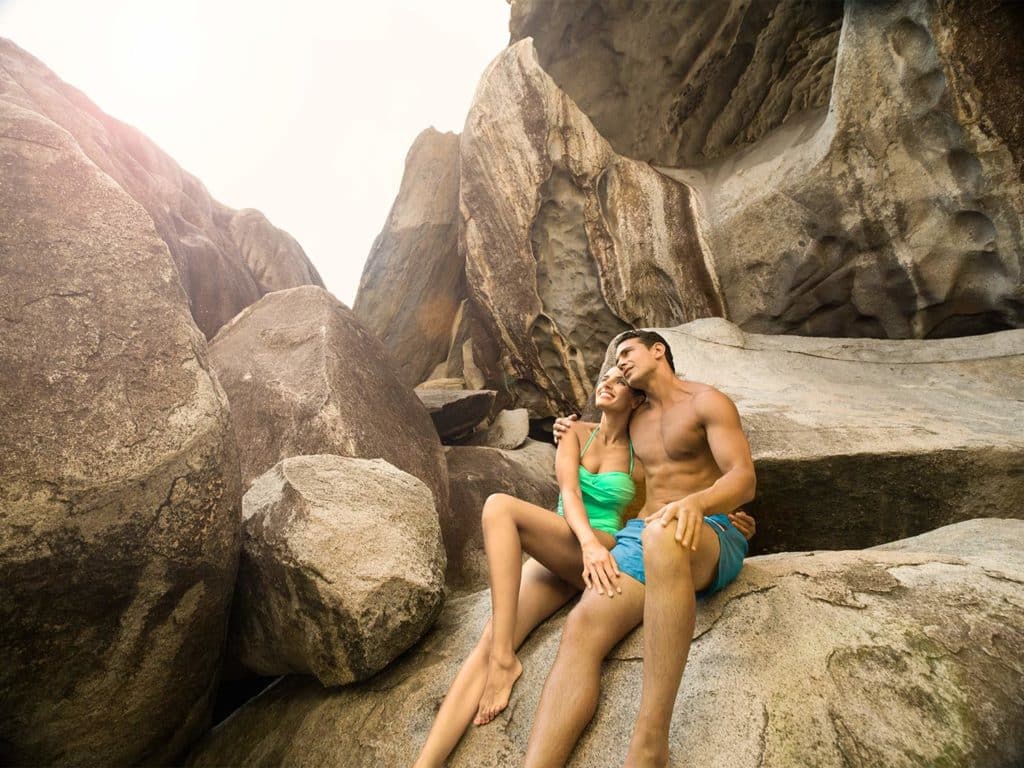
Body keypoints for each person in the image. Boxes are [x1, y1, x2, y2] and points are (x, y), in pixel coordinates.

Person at [523, 330, 757, 768]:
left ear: (658, 350)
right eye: (616, 356)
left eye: (627, 352)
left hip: (704, 528)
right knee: (582, 625)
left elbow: (742, 477)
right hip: (641, 537)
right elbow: (599, 435)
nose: (620, 361)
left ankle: (650, 743)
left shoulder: (708, 402)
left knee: (660, 533)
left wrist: (700, 502)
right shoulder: (636, 417)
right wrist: (566, 431)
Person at [412, 366, 646, 768]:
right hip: (566, 547)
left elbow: (665, 502)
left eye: (621, 381)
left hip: (603, 547)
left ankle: (506, 662)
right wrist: (582, 543)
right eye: (605, 377)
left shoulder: (641, 456)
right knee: (487, 644)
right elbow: (569, 491)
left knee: (499, 506)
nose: (607, 383)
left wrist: (729, 520)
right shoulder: (573, 432)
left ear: (638, 398)